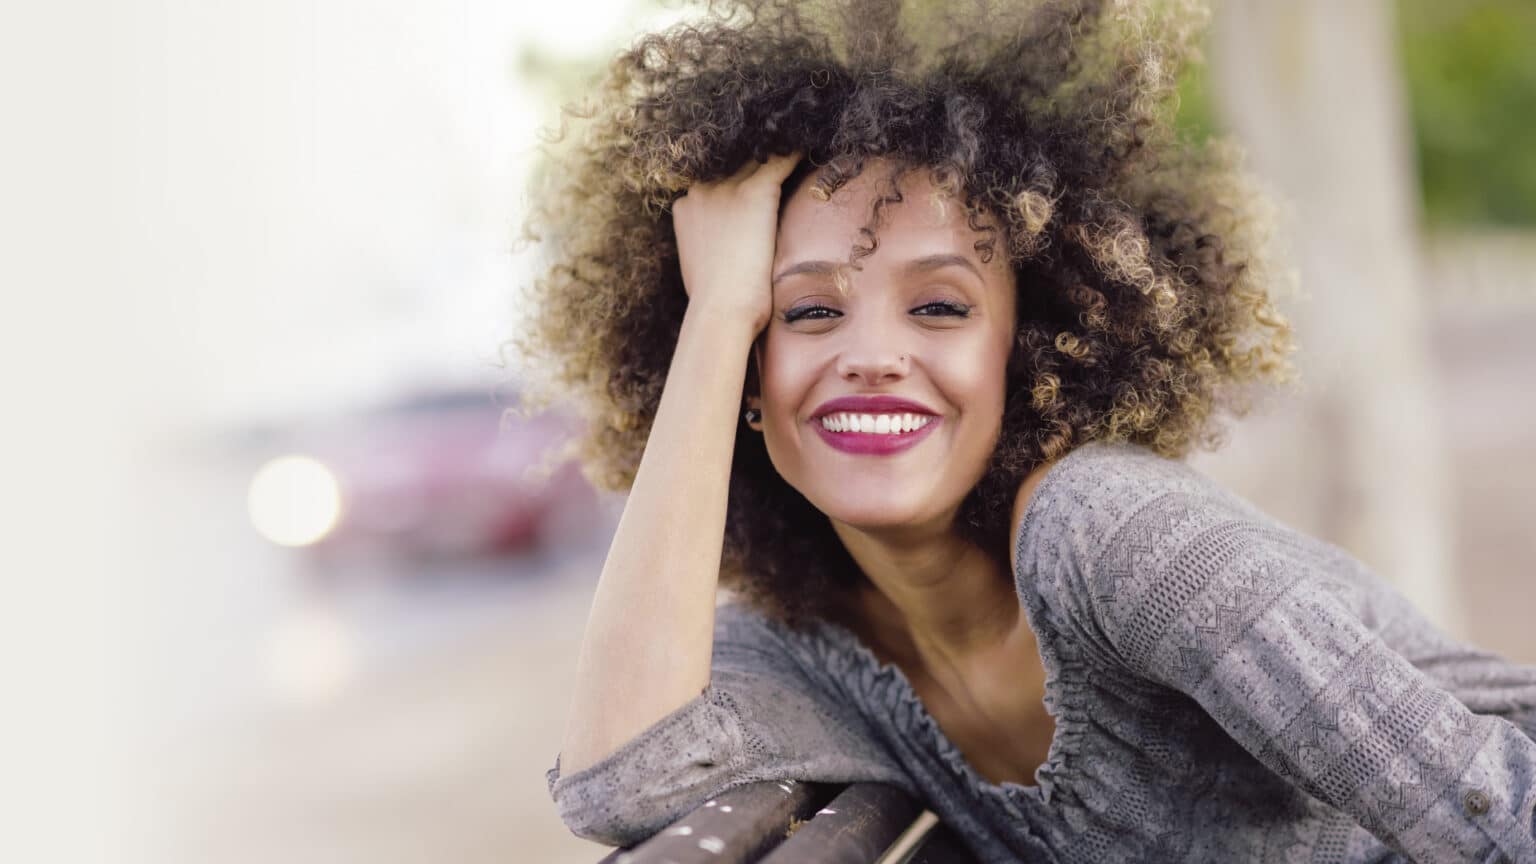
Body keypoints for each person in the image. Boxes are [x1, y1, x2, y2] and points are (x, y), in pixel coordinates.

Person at [522, 0, 1536, 860]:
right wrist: (716, 316)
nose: (871, 354)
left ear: (1029, 349)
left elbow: (1496, 813)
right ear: (751, 374)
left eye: (941, 308)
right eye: (808, 311)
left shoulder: (1116, 542)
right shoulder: (812, 646)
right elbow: (622, 784)